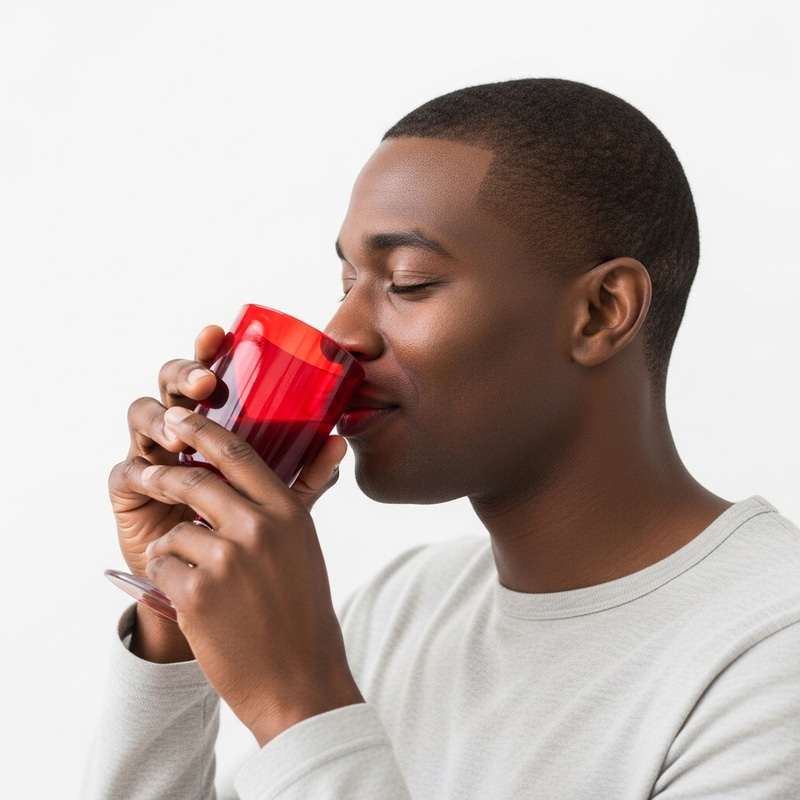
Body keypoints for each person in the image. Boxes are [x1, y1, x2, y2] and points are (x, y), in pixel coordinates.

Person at [83, 79, 800, 798]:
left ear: (600, 312)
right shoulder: (402, 608)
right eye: (347, 283)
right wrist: (174, 614)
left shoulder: (772, 648)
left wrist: (298, 705)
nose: (340, 333)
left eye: (409, 281)